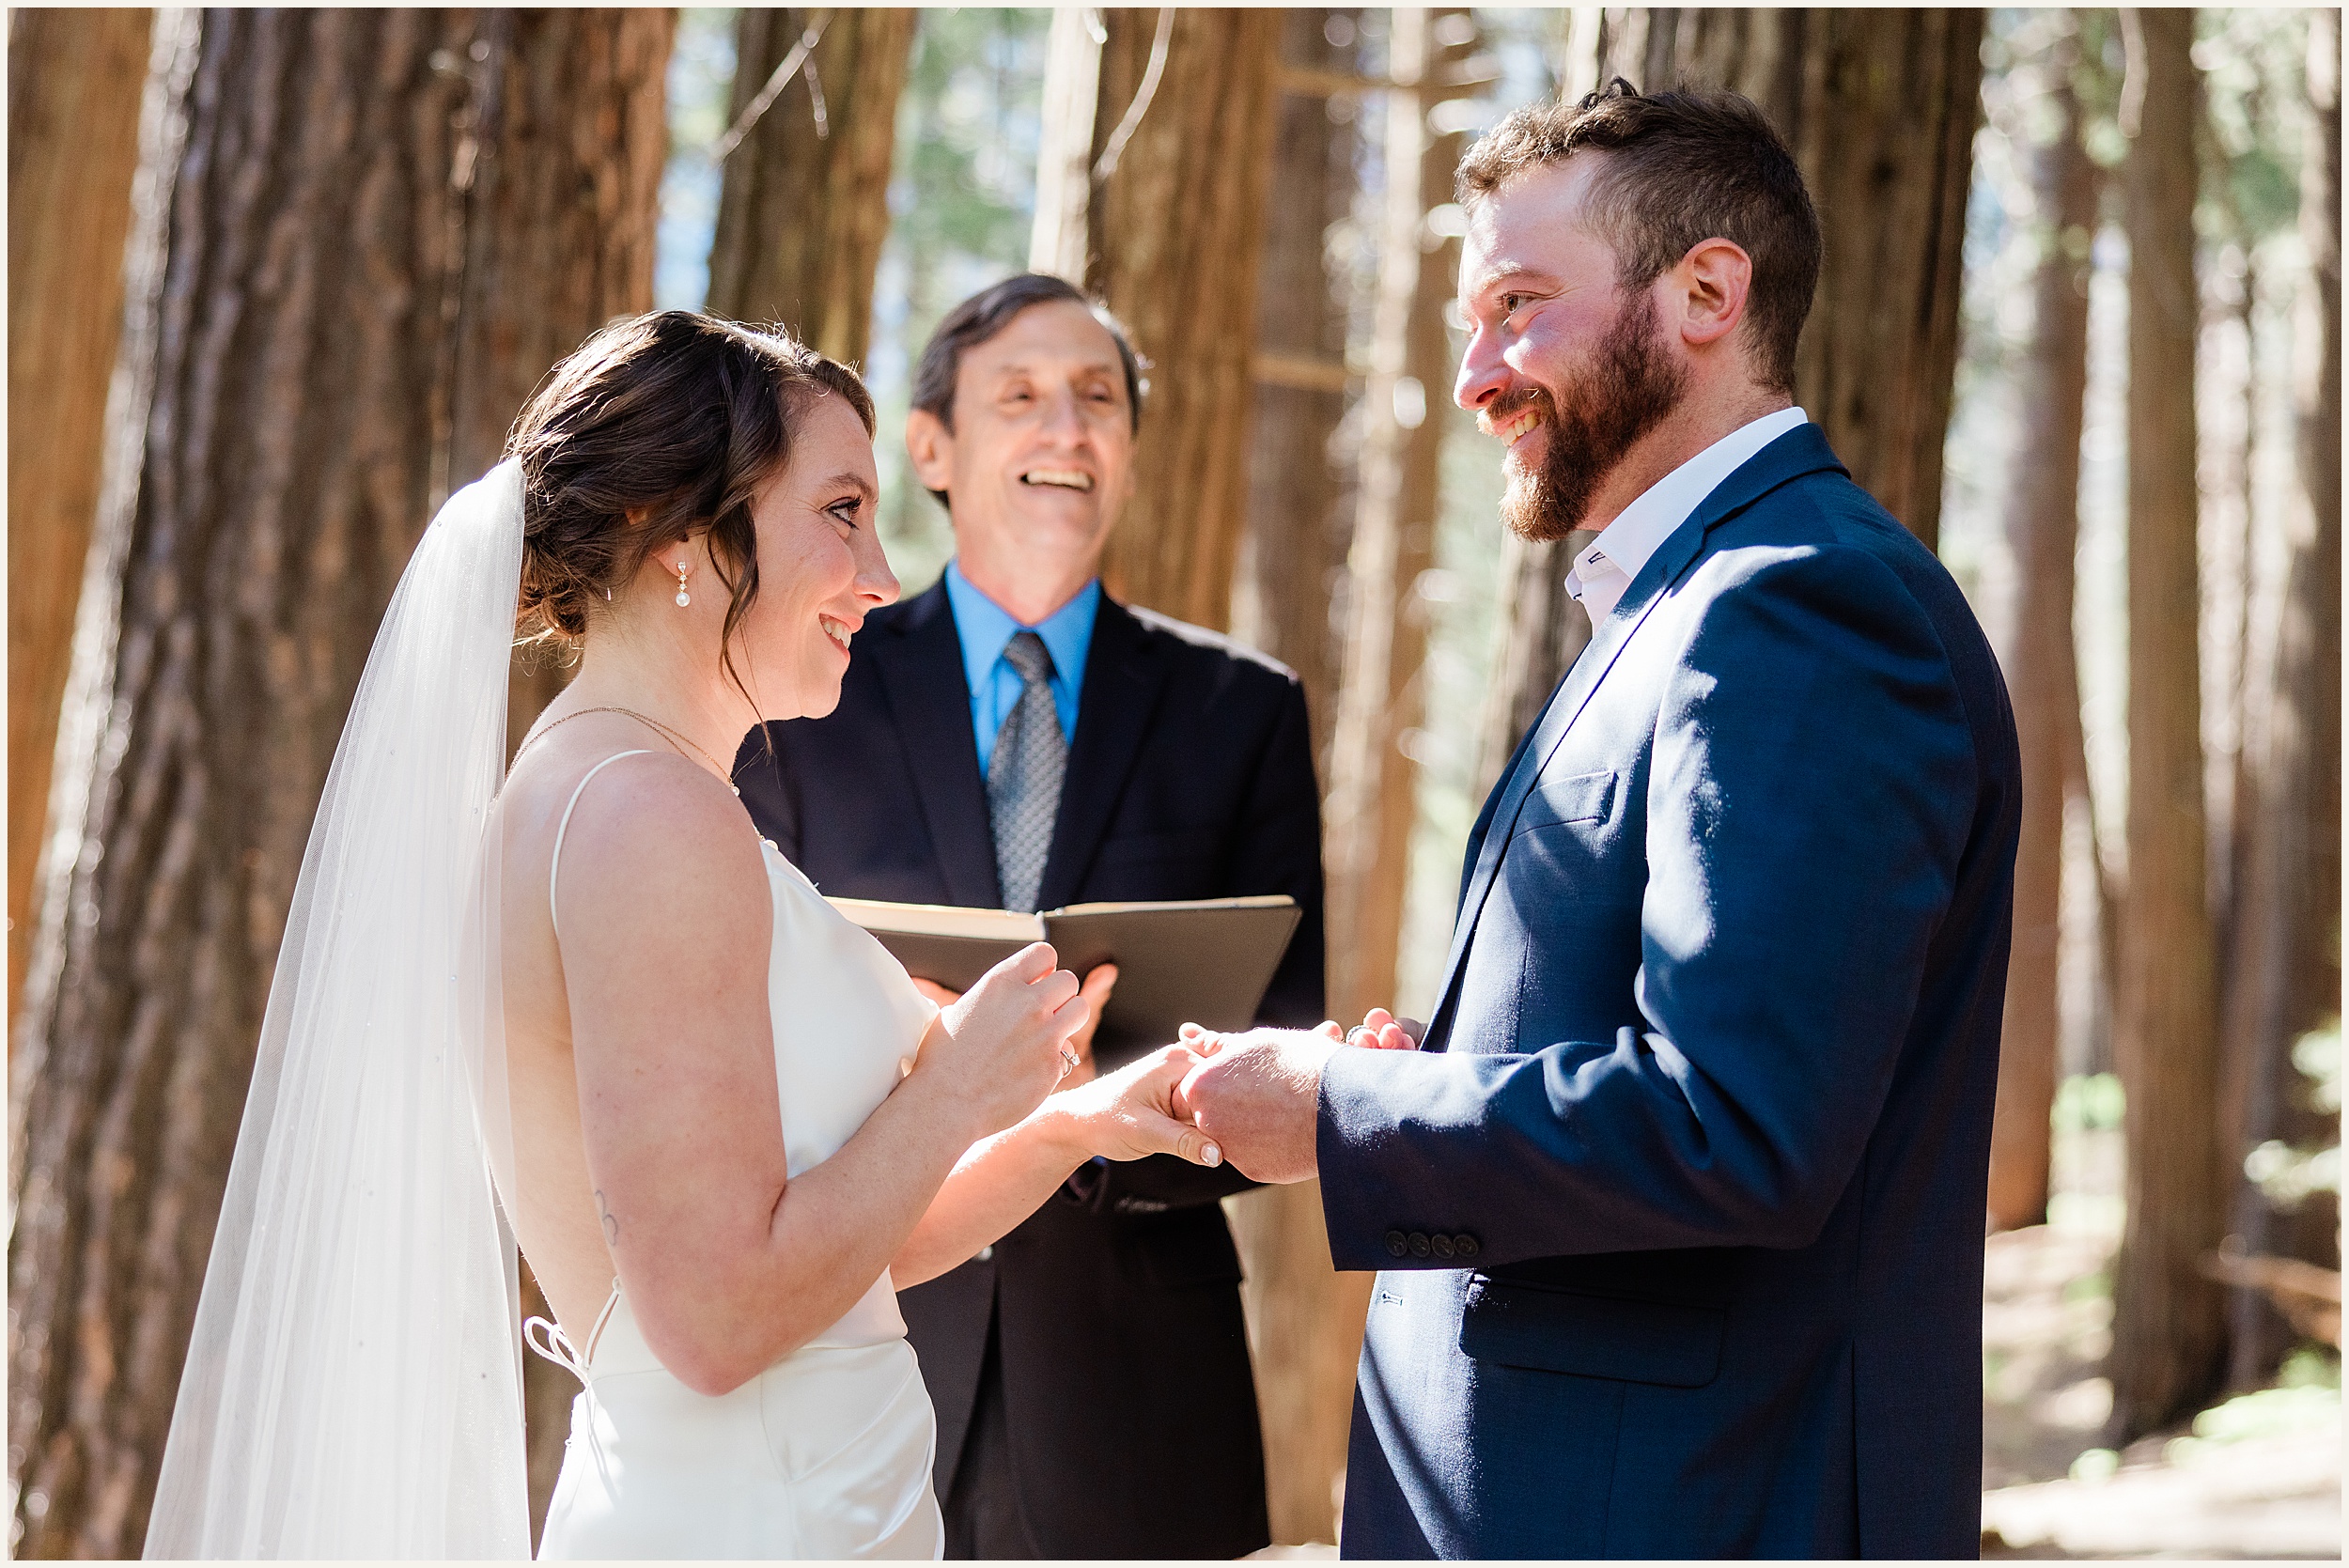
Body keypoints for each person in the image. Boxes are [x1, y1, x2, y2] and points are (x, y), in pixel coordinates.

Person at [146, 311, 1223, 1560]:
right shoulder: (646, 818)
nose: (882, 573)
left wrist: (1071, 1121)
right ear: (681, 538)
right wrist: (957, 1086)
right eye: (839, 511)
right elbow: (715, 1316)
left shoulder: (603, 790)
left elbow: (843, 1252)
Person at [1177, 84, 2020, 1558]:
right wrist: (1435, 1072)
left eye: (1516, 305)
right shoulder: (1696, 601)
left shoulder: (1794, 608)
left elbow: (1734, 1122)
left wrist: (1336, 1114)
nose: (1474, 376)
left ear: (1707, 291)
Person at [735, 273, 1323, 1560]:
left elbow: (1283, 1040)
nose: (1068, 429)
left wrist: (1123, 1106)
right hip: (860, 1342)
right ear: (932, 446)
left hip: (1138, 1378)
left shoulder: (1245, 712)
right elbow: (745, 1018)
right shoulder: (807, 682)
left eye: (1098, 399)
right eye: (1022, 397)